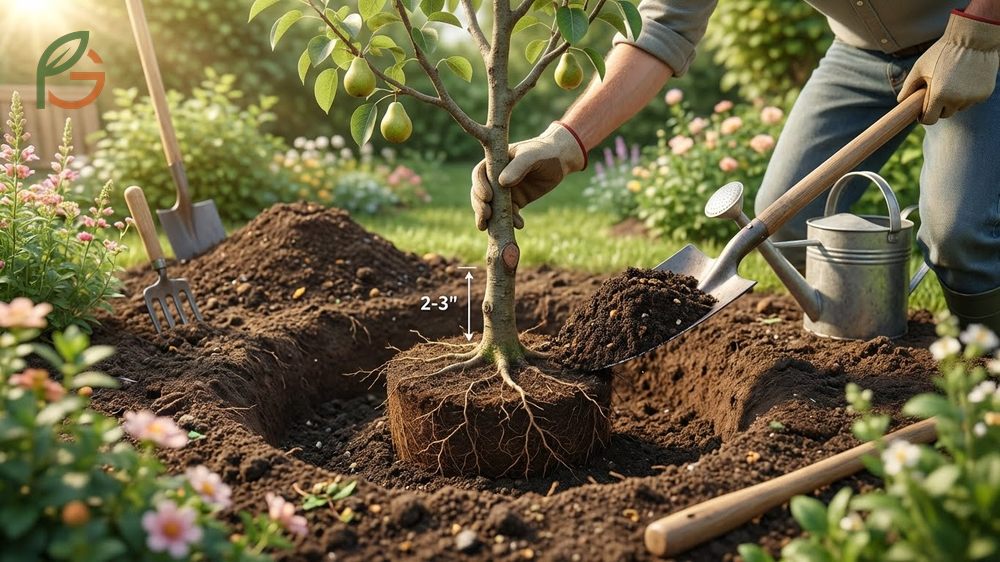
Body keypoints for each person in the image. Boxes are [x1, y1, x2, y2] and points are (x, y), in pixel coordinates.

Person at [470, 1, 1000, 331]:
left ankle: (987, 371)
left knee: (960, 234)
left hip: (977, 38)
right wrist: (565, 141)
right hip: (860, 54)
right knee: (781, 222)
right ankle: (863, 342)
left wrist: (978, 27)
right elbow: (663, 29)